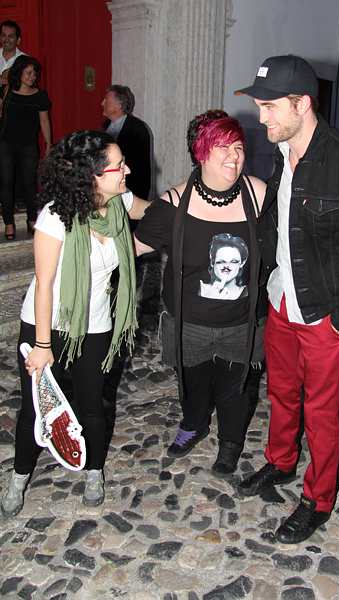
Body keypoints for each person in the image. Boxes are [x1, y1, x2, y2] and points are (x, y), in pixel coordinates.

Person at [234, 55, 339, 543]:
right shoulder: (280, 154)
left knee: (323, 413)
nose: (261, 116)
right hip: (283, 299)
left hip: (325, 312)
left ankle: (317, 500)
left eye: (269, 107)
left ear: (302, 103)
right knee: (281, 392)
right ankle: (281, 462)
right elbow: (279, 227)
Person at [0, 130, 149, 517]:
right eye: (119, 165)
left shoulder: (120, 203)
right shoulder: (56, 217)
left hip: (95, 323)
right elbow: (44, 285)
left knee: (92, 404)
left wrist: (197, 198)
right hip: (47, 324)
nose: (127, 170)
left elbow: (158, 214)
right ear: (93, 175)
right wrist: (43, 346)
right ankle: (19, 477)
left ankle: (94, 470)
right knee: (36, 408)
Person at [134, 110, 266, 477]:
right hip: (188, 323)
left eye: (238, 147)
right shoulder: (173, 204)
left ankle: (230, 443)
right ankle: (193, 425)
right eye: (222, 147)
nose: (233, 156)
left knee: (236, 389)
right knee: (192, 385)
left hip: (242, 322)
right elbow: (133, 248)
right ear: (200, 152)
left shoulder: (259, 195)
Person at [0, 55, 51, 240]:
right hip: (5, 143)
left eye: (34, 73)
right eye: (28, 73)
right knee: (6, 182)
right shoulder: (7, 91)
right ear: (19, 73)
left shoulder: (40, 95)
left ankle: (31, 219)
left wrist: (48, 144)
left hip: (28, 144)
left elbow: (44, 121)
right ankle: (9, 223)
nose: (32, 76)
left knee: (30, 183)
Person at [102, 85, 152, 199]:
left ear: (119, 105)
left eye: (106, 100)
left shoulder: (137, 129)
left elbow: (140, 170)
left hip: (129, 193)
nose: (102, 103)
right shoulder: (105, 126)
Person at [0, 20, 25, 90]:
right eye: (3, 35)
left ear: (18, 40)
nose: (6, 39)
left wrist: (10, 81)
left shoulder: (26, 61)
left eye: (11, 36)